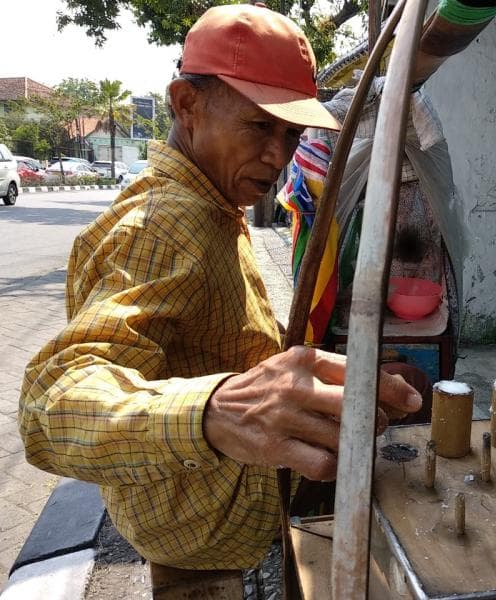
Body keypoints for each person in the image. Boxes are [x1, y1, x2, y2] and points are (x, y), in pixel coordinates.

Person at [17, 3, 422, 571]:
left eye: (291, 133)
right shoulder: (165, 223)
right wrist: (214, 411)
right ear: (187, 104)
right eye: (259, 126)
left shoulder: (217, 205)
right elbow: (48, 407)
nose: (278, 156)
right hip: (198, 521)